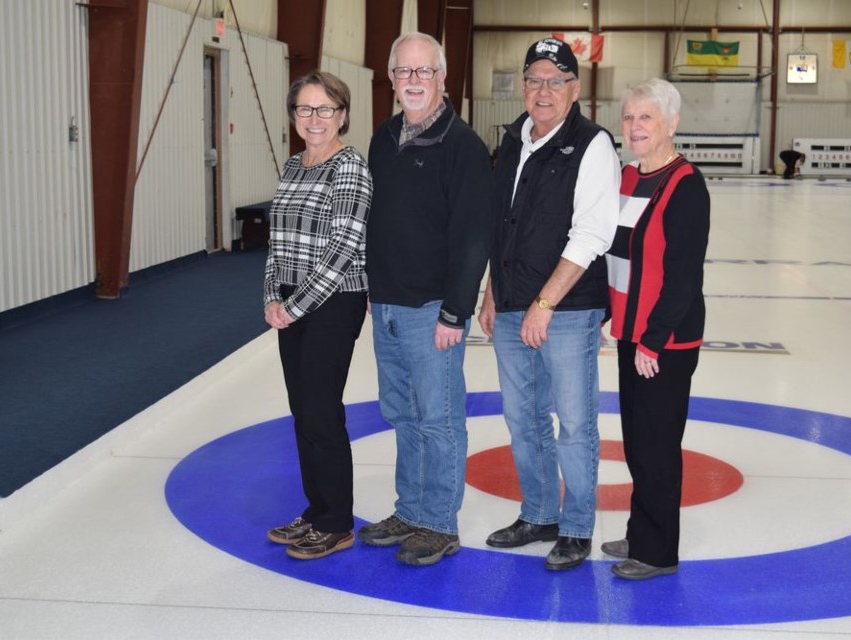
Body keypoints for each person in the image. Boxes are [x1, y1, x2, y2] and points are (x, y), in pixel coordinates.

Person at [478, 37, 620, 571]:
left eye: (555, 80)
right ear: (522, 85)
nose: (543, 90)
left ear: (574, 89)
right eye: (534, 79)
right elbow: (501, 226)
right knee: (523, 417)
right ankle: (539, 513)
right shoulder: (513, 140)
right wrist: (493, 291)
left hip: (566, 308)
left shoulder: (592, 144)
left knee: (575, 421)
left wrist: (543, 303)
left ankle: (577, 526)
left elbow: (591, 234)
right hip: (513, 302)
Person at [357, 32, 493, 566]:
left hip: (432, 311)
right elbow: (377, 221)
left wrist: (455, 310)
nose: (413, 81)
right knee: (402, 414)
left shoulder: (462, 146)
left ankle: (439, 522)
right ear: (391, 79)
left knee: (438, 419)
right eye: (404, 72)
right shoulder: (383, 137)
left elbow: (473, 237)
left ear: (440, 78)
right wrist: (374, 289)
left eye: (424, 72)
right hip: (387, 305)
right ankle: (410, 509)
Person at [600, 78, 710, 580]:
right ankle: (642, 530)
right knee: (639, 443)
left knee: (658, 445)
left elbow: (684, 276)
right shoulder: (626, 176)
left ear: (671, 123)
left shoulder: (685, 184)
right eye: (629, 117)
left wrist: (654, 338)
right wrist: (610, 316)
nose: (636, 126)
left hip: (662, 342)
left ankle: (658, 550)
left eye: (647, 117)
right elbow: (616, 255)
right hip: (629, 333)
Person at [263, 71, 372, 560]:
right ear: (294, 116)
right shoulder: (292, 166)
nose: (314, 118)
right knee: (302, 409)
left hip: (334, 300)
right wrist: (272, 296)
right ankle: (315, 508)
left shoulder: (350, 168)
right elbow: (276, 241)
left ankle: (336, 521)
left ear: (343, 114)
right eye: (305, 109)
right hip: (291, 301)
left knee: (322, 411)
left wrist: (294, 306)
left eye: (325, 109)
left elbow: (345, 247)